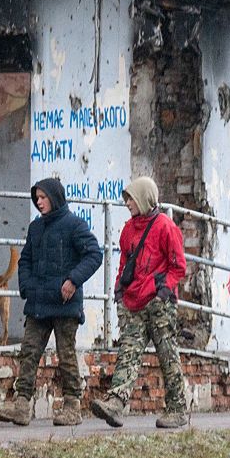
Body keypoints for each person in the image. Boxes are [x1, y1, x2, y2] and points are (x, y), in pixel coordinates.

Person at [0, 177, 103, 426]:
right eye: (37, 198)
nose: (39, 202)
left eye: (43, 198)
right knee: (28, 352)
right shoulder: (35, 228)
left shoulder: (75, 225)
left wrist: (73, 280)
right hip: (38, 302)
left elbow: (94, 254)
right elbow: (25, 260)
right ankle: (21, 405)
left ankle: (73, 405)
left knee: (66, 355)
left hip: (66, 303)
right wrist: (27, 287)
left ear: (55, 197)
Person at [90, 176, 188, 429]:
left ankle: (177, 410)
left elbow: (178, 266)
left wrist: (162, 293)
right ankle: (115, 402)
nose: (127, 203)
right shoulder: (128, 229)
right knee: (128, 353)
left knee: (168, 356)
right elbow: (125, 263)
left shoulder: (165, 227)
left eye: (131, 198)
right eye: (126, 199)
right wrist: (120, 292)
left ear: (145, 198)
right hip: (133, 302)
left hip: (159, 304)